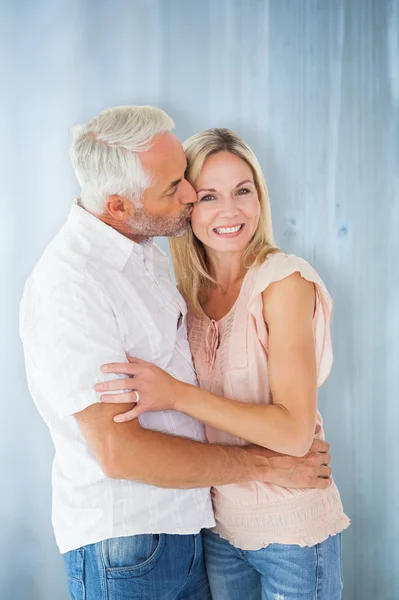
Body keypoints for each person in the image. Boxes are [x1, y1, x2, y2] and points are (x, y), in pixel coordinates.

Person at [20, 108, 333, 600]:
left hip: (196, 529)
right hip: (133, 542)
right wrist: (264, 466)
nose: (189, 198)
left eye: (240, 190)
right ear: (119, 206)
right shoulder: (73, 286)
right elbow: (118, 451)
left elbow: (287, 424)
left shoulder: (145, 257)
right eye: (179, 188)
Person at [98, 127, 350, 599]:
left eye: (243, 191)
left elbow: (294, 433)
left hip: (291, 530)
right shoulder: (183, 297)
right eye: (210, 196)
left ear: (260, 197)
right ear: (189, 207)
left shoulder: (284, 282)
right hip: (217, 528)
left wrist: (177, 394)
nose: (230, 211)